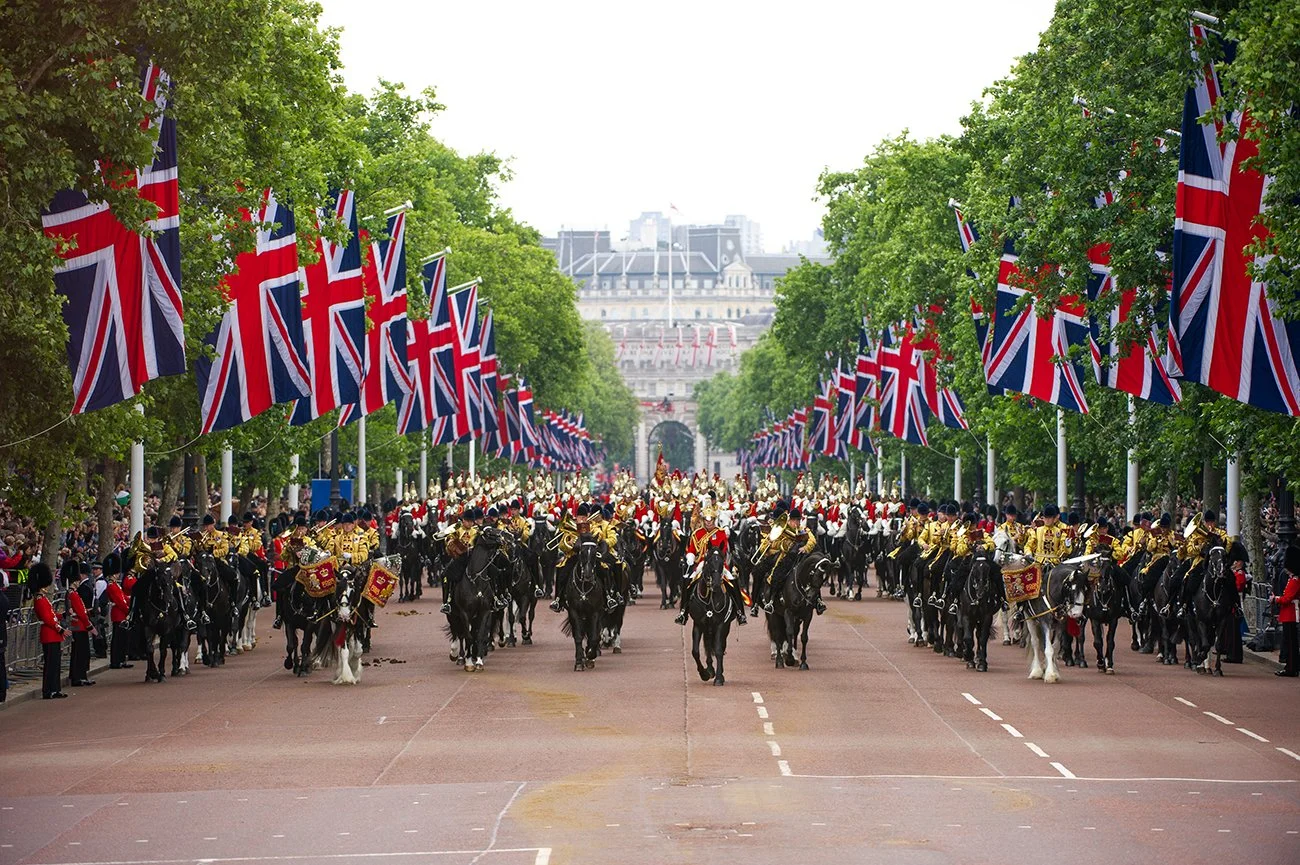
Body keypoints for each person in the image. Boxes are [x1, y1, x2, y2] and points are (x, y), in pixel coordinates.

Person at [31, 563, 68, 699]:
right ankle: (48, 690)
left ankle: (55, 688)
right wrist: (60, 629)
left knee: (55, 664)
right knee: (51, 664)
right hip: (49, 634)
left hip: (53, 634)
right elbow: (47, 619)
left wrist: (62, 615)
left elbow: (51, 615)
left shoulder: (43, 598)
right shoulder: (40, 599)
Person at [1271, 544, 1300, 677]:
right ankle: (1291, 666)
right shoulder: (1292, 579)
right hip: (1289, 614)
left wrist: (1275, 599)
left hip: (1291, 614)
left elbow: (1287, 599)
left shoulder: (1295, 581)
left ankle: (1291, 668)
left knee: (1291, 642)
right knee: (1290, 642)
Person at [67, 561, 97, 687]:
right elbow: (81, 613)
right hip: (79, 626)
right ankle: (78, 677)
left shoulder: (74, 593)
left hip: (79, 625)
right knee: (80, 652)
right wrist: (90, 626)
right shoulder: (73, 594)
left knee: (80, 652)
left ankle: (79, 676)